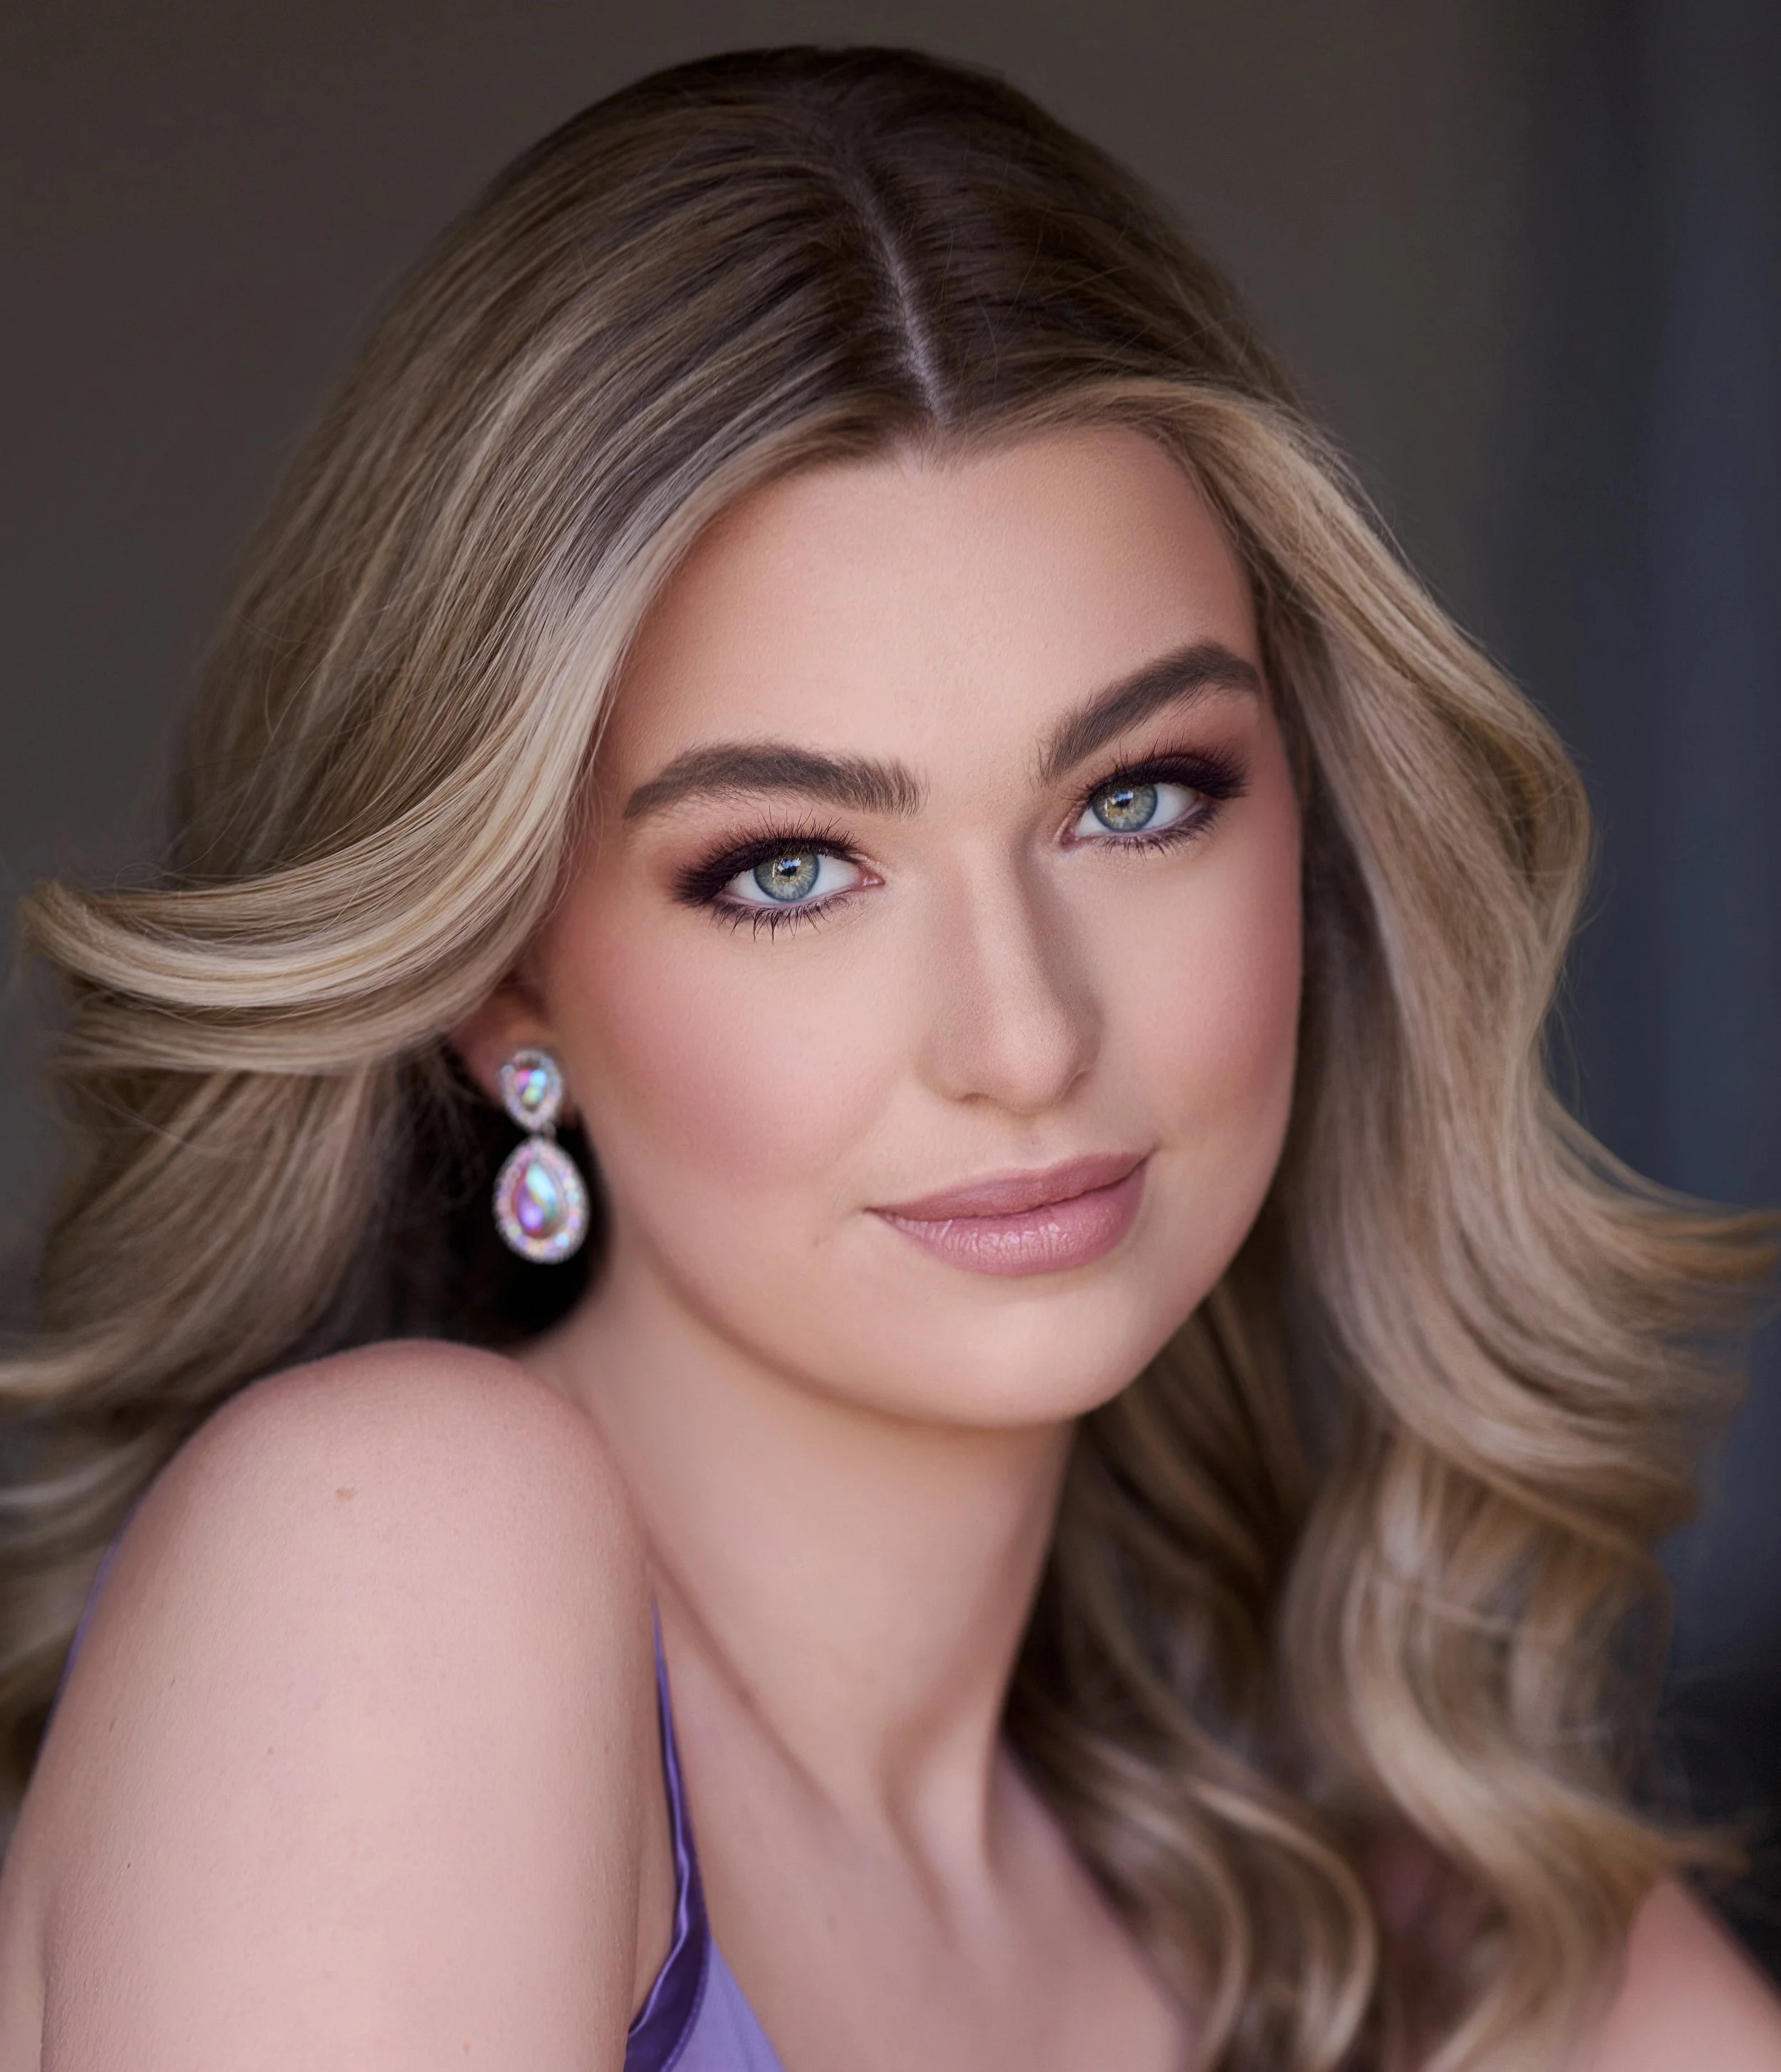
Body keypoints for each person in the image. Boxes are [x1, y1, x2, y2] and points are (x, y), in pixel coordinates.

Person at [0, 43, 1776, 2072]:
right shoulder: (388, 1557)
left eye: (1135, 798)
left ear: (1315, 816)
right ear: (504, 983)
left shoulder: (1387, 1923)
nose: (1022, 1036)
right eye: (783, 865)